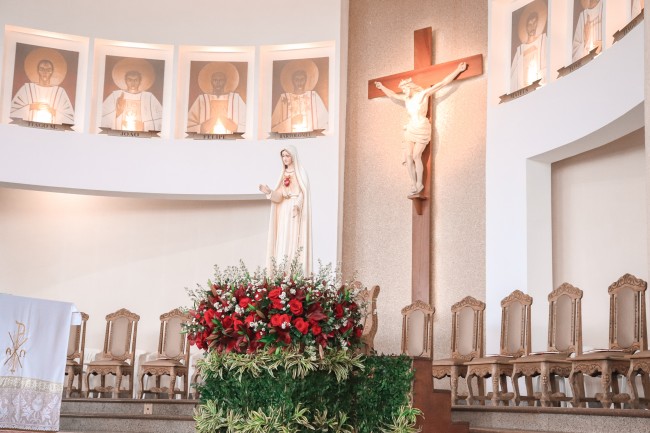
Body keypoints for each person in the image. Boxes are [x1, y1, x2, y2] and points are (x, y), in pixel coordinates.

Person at [374, 62, 467, 196]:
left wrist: (457, 70)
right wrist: (382, 87)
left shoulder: (423, 95)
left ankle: (419, 183)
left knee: (416, 155)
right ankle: (413, 182)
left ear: (410, 86)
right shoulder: (406, 99)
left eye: (404, 88)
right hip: (411, 128)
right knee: (408, 156)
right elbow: (393, 95)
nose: (403, 91)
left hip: (421, 128)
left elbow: (442, 84)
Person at [258, 145, 312, 276]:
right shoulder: (283, 174)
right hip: (283, 210)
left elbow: (303, 193)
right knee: (282, 238)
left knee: (293, 239)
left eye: (287, 155)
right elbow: (279, 196)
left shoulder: (300, 172)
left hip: (294, 210)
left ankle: (292, 272)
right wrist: (270, 192)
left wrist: (297, 206)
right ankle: (280, 271)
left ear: (293, 156)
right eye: (283, 156)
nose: (285, 158)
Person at [10, 47, 75, 125]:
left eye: (48, 70)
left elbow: (70, 119)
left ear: (52, 71)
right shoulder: (27, 89)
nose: (45, 72)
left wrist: (53, 111)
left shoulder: (60, 92)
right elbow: (12, 113)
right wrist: (32, 106)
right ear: (37, 70)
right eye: (42, 69)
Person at [101, 58, 162, 132]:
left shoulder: (149, 97)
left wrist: (143, 125)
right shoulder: (115, 95)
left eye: (136, 80)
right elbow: (102, 115)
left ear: (140, 81)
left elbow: (160, 118)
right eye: (130, 80)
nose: (133, 83)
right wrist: (117, 113)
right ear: (125, 81)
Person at [186, 62, 246, 134]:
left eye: (221, 80)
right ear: (211, 81)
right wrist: (202, 127)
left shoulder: (236, 99)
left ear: (225, 81)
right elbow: (189, 125)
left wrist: (235, 128)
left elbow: (248, 124)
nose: (218, 83)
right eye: (215, 80)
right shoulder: (202, 99)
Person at [271, 59, 328, 133]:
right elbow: (273, 128)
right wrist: (291, 122)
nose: (299, 82)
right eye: (296, 79)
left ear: (306, 80)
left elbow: (326, 122)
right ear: (292, 81)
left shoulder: (313, 97)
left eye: (302, 79)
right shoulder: (284, 98)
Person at [510, 1, 547, 92]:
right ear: (526, 26)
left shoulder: (543, 40)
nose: (532, 27)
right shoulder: (520, 50)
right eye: (530, 24)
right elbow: (513, 78)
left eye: (534, 23)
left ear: (538, 23)